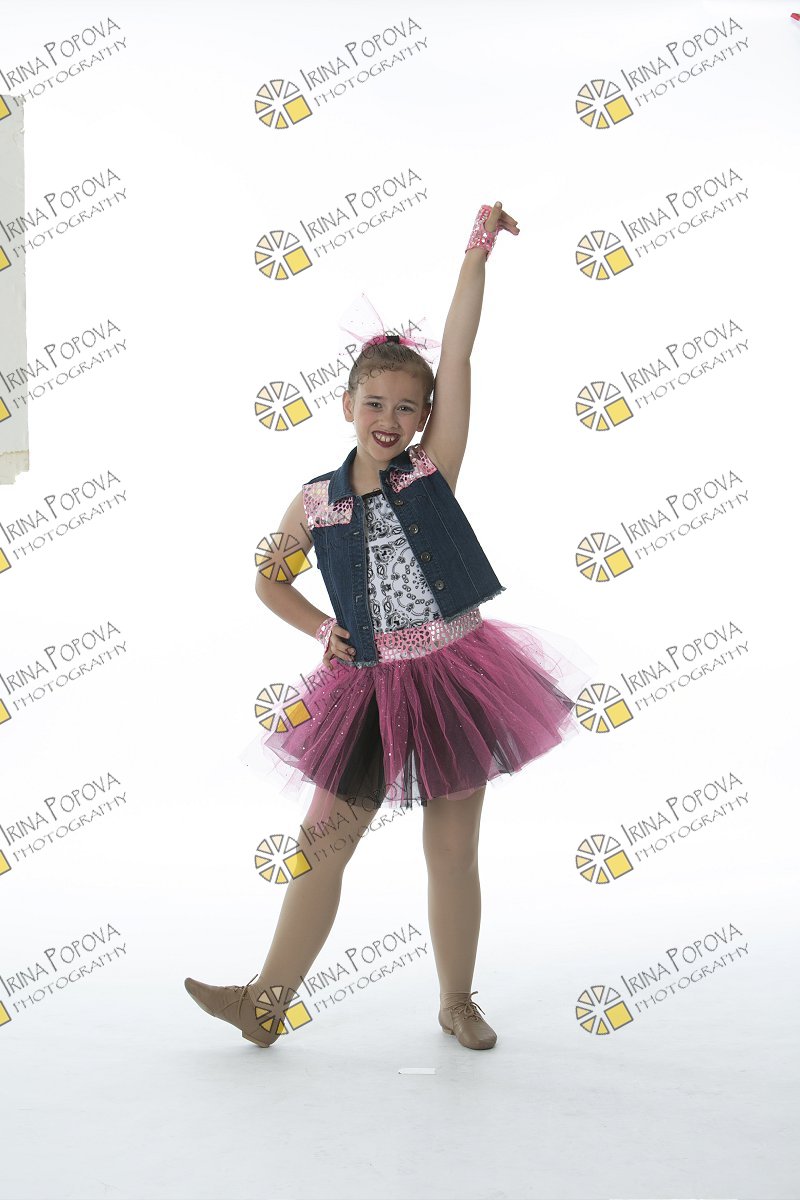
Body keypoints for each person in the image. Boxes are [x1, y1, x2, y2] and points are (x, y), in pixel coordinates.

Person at [185, 201, 595, 1052]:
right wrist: (318, 628)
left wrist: (477, 253)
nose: (390, 419)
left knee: (452, 850)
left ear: (424, 418)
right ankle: (266, 1002)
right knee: (321, 842)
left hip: (454, 673)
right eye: (375, 402)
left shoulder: (430, 472)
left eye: (409, 408)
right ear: (347, 403)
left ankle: (457, 1001)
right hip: (367, 685)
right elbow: (268, 577)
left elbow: (460, 349)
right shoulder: (315, 502)